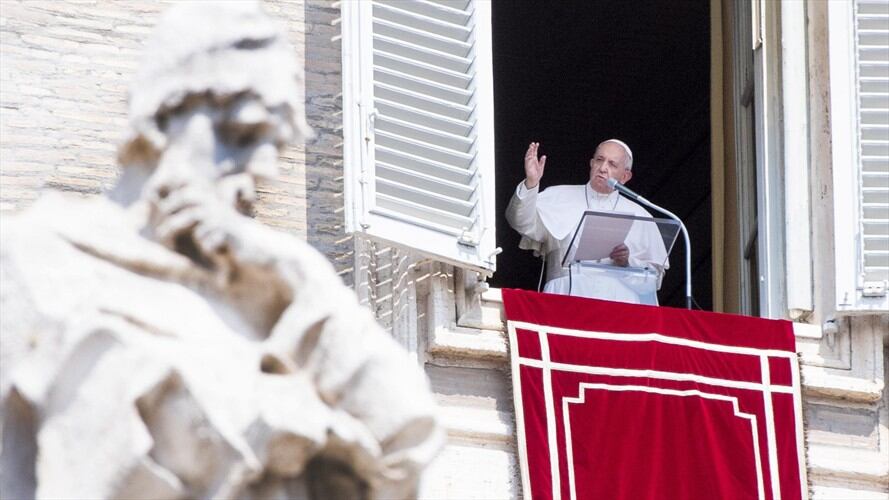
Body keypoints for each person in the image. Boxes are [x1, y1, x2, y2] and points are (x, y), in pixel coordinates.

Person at [0, 3, 441, 499]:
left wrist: (299, 280)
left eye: (273, 145)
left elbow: (407, 440)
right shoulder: (35, 258)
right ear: (160, 117)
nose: (262, 167)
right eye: (241, 133)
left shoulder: (280, 294)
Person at [505, 139, 669, 304]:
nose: (603, 168)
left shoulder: (641, 215)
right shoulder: (558, 196)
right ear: (591, 163)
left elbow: (653, 280)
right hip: (565, 299)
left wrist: (627, 263)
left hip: (620, 306)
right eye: (599, 160)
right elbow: (520, 221)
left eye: (612, 164)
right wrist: (531, 183)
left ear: (625, 176)